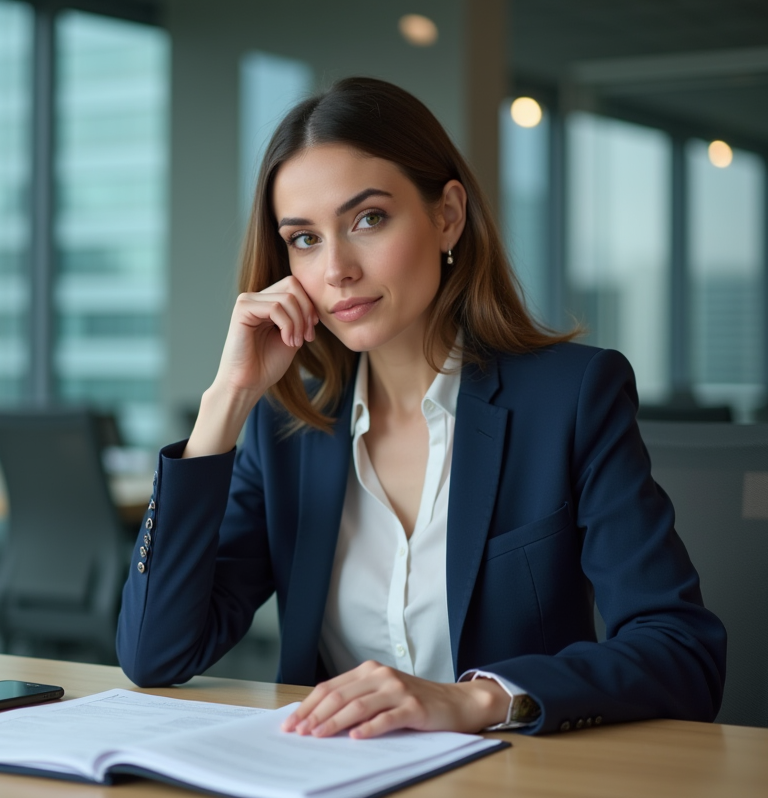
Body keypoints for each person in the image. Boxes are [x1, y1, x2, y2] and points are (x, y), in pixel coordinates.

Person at [116, 77, 726, 737]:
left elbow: (682, 651)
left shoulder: (572, 398)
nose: (336, 269)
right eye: (304, 238)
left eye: (368, 219)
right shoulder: (285, 428)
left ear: (447, 216)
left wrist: (477, 700)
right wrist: (226, 400)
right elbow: (156, 654)